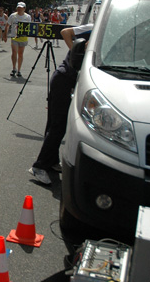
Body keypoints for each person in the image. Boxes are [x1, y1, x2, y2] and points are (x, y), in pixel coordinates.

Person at [29, 23, 94, 184]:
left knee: (56, 124)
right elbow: (65, 32)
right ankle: (39, 166)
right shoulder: (94, 27)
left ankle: (51, 160)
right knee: (58, 124)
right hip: (65, 79)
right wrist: (76, 54)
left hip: (74, 80)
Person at [6, 2, 31, 78]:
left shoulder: (27, 17)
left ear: (24, 8)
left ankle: (19, 70)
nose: (19, 9)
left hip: (23, 37)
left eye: (21, 8)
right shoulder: (13, 16)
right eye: (18, 8)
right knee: (14, 52)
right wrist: (5, 35)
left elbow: (29, 27)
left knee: (20, 54)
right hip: (14, 37)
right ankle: (14, 68)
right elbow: (7, 25)